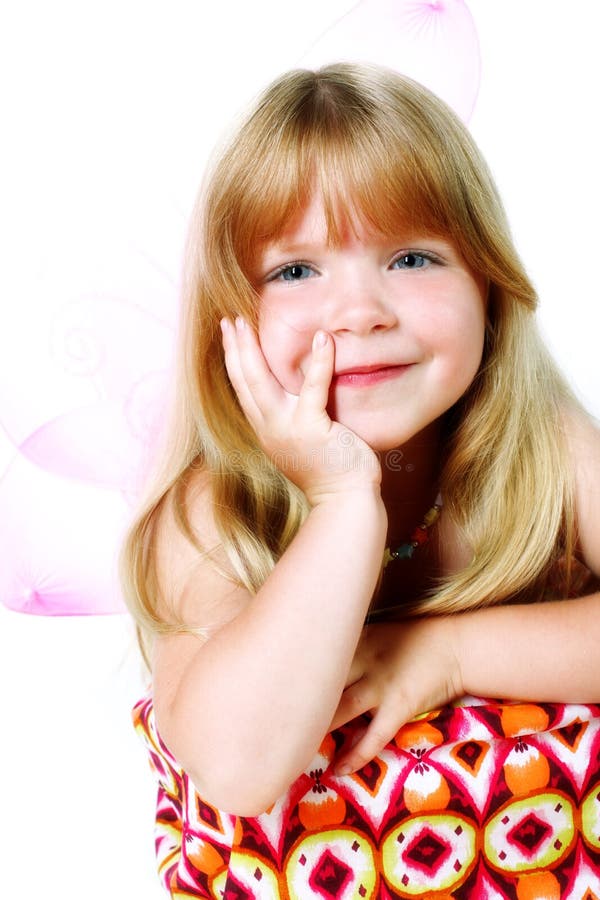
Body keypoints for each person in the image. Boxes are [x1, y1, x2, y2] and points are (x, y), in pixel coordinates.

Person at [122, 64, 600, 898]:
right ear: (229, 315)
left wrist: (447, 653)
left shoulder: (544, 447)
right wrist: (343, 502)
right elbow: (237, 766)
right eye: (295, 271)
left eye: (412, 257)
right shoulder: (215, 510)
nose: (360, 312)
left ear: (488, 286)